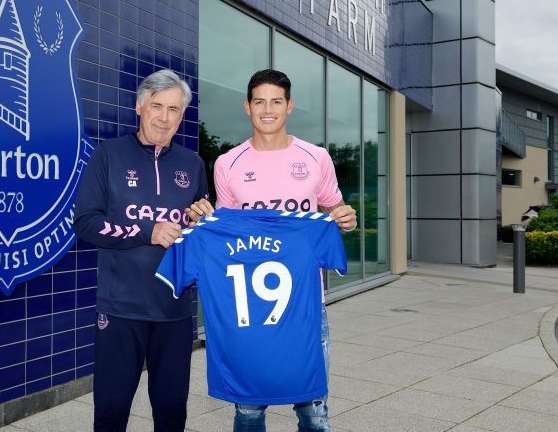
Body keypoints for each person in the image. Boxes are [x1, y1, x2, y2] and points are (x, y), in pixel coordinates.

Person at [187, 69, 356, 432]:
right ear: (247, 107)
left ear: (289, 106)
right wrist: (202, 220)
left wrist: (346, 219)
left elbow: (335, 211)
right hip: (247, 306)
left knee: (313, 411)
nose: (268, 109)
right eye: (259, 101)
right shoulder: (227, 163)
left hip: (307, 305)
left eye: (276, 101)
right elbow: (227, 231)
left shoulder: (316, 158)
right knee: (248, 411)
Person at [73, 69, 213, 432]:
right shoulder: (109, 155)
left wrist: (201, 222)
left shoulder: (192, 165)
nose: (165, 118)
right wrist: (148, 231)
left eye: (174, 110)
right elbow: (86, 223)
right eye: (157, 106)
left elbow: (197, 234)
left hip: (175, 311)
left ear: (182, 115)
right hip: (122, 309)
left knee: (171, 413)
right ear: (139, 106)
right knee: (112, 409)